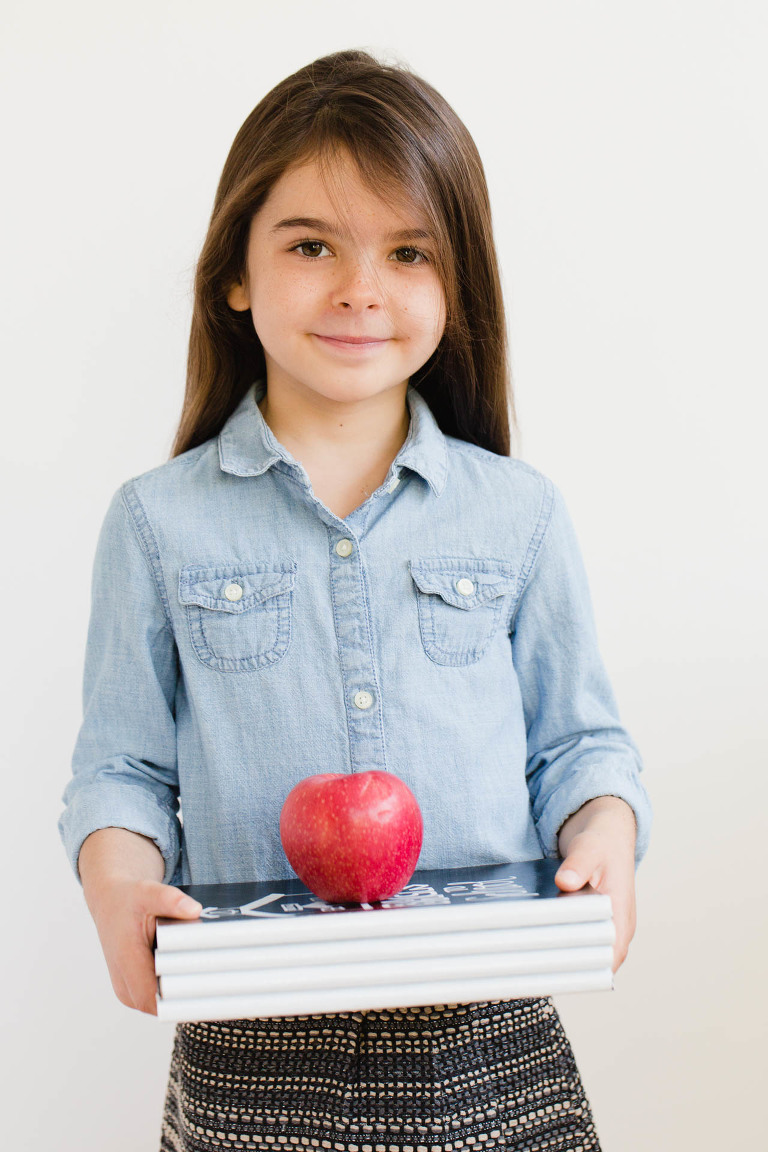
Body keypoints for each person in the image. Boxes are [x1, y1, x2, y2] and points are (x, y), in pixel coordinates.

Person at [59, 48, 652, 1152]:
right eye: (311, 245)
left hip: (491, 1043)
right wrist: (118, 884)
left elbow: (581, 747)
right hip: (250, 1055)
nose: (359, 287)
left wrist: (605, 832)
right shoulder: (156, 523)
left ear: (455, 282)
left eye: (408, 250)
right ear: (234, 273)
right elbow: (122, 770)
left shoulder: (518, 515)